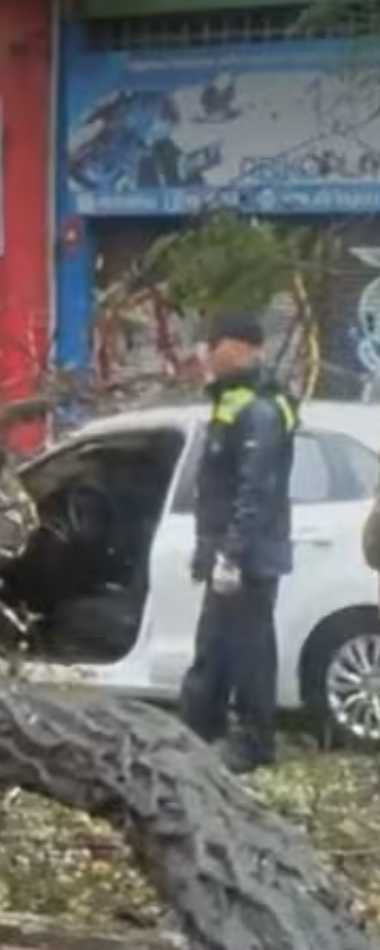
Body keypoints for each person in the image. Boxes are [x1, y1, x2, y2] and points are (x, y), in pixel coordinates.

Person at [180, 312, 298, 773]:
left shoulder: (262, 411)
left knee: (249, 652)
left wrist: (232, 554)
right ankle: (197, 736)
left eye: (220, 344)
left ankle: (254, 743)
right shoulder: (233, 402)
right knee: (213, 648)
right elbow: (218, 488)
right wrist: (210, 552)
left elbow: (256, 490)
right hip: (226, 553)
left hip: (249, 558)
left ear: (246, 348)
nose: (212, 354)